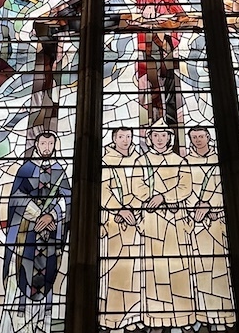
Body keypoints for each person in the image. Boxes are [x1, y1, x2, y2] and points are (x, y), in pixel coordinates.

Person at [1, 132, 71, 333]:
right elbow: (16, 198)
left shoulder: (59, 171)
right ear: (37, 145)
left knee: (47, 276)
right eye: (43, 143)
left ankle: (41, 324)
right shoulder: (26, 169)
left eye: (51, 143)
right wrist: (38, 214)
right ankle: (17, 325)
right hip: (26, 233)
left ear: (55, 145)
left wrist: (53, 215)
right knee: (20, 274)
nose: (47, 147)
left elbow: (68, 199)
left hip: (51, 234)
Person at [132, 122, 193, 328]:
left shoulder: (179, 161)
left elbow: (185, 187)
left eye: (163, 135)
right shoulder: (142, 161)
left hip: (176, 220)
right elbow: (137, 187)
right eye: (156, 135)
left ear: (169, 138)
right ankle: (155, 317)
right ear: (150, 138)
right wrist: (152, 199)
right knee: (154, 269)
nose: (160, 139)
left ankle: (183, 317)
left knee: (179, 266)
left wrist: (164, 198)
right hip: (152, 220)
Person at [185, 126, 235, 326]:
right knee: (200, 269)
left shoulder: (219, 160)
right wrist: (195, 208)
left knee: (221, 268)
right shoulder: (186, 162)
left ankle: (226, 315)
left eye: (201, 136)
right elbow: (184, 189)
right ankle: (204, 314)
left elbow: (227, 187)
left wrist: (211, 206)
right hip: (196, 222)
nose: (198, 140)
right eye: (194, 137)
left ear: (208, 137)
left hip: (217, 219)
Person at [99, 127, 142, 328]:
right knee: (116, 270)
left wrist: (135, 208)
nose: (126, 140)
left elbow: (144, 187)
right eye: (121, 137)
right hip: (115, 222)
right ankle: (114, 319)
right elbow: (103, 190)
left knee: (138, 270)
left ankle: (135, 316)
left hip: (137, 220)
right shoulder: (106, 161)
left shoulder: (138, 160)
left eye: (129, 137)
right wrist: (120, 209)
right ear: (114, 138)